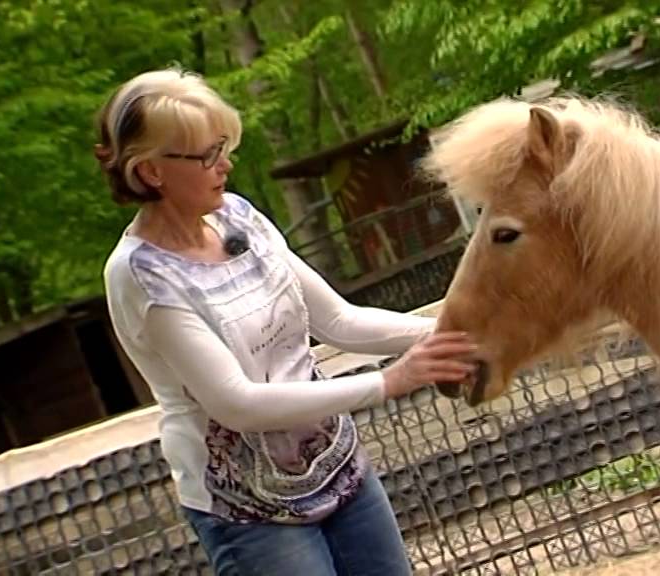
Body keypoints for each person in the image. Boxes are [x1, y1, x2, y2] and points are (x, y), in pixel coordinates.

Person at [96, 66, 477, 576]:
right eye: (208, 154)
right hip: (249, 510)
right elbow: (238, 403)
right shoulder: (141, 275)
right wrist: (390, 381)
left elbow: (339, 321)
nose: (225, 164)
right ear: (150, 172)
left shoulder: (239, 217)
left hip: (336, 468)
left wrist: (458, 331)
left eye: (224, 146)